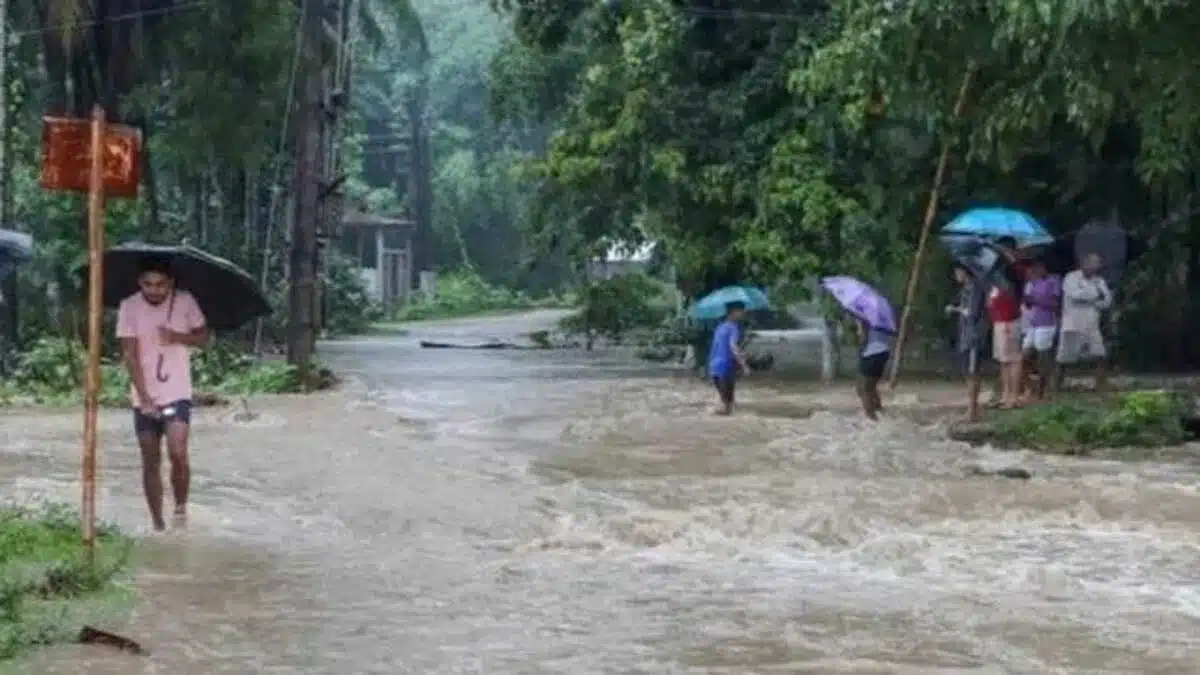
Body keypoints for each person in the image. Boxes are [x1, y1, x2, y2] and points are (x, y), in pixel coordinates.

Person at [116, 259, 209, 531]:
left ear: (170, 284)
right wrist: (143, 397)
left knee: (178, 452)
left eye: (160, 285)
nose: (154, 290)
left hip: (177, 391)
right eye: (148, 284)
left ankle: (180, 507)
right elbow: (129, 355)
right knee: (150, 457)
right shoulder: (129, 307)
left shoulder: (185, 301)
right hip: (144, 394)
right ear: (139, 283)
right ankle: (157, 521)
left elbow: (203, 337)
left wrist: (179, 336)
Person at [1055, 252, 1111, 392]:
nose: (1095, 266)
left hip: (1092, 322)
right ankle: (1056, 386)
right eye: (1092, 262)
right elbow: (1075, 295)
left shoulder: (1099, 280)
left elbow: (1106, 301)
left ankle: (1100, 385)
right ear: (1084, 263)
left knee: (1099, 354)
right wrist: (1095, 295)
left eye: (1097, 263)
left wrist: (1094, 297)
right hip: (1073, 323)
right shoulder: (1071, 277)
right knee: (1064, 358)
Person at [947, 263, 988, 421]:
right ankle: (972, 408)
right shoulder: (965, 290)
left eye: (957, 272)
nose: (956, 276)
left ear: (964, 271)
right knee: (967, 371)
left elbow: (972, 313)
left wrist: (955, 309)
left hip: (973, 337)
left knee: (973, 372)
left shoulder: (975, 289)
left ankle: (972, 409)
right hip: (966, 335)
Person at [1020, 257, 1061, 400]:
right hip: (1033, 322)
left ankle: (1043, 390)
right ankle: (1030, 386)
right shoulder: (1034, 283)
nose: (1036, 271)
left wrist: (1037, 300)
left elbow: (1055, 303)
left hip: (1047, 322)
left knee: (1043, 356)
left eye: (1038, 268)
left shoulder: (1053, 281)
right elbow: (1029, 302)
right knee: (1025, 354)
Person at [708, 301, 749, 415]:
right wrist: (744, 365)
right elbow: (733, 347)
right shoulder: (733, 327)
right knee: (728, 404)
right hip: (726, 366)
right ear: (734, 312)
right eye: (741, 310)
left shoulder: (720, 327)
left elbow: (718, 345)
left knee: (726, 401)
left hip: (714, 366)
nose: (743, 313)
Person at [855, 319, 890, 420]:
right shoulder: (879, 316)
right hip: (883, 351)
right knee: (871, 387)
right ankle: (879, 412)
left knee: (863, 388)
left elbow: (863, 338)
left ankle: (872, 419)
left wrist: (859, 329)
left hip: (871, 353)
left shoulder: (864, 317)